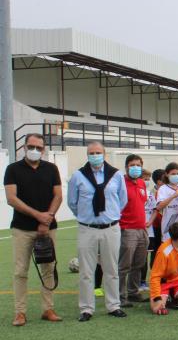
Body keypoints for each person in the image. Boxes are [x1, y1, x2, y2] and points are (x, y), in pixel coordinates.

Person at [4, 133, 63, 326]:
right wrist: (39, 216)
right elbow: (11, 199)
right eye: (31, 146)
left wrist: (46, 220)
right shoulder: (12, 169)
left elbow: (58, 196)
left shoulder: (51, 168)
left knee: (48, 268)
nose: (35, 150)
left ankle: (48, 309)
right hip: (22, 228)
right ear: (23, 147)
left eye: (39, 148)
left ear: (43, 150)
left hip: (48, 228)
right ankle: (20, 312)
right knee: (21, 271)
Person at [68, 141, 129, 321]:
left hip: (110, 227)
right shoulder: (78, 176)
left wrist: (110, 214)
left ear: (104, 154)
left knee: (111, 269)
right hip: (87, 229)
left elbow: (122, 200)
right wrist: (87, 216)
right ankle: (86, 308)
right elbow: (72, 202)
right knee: (86, 271)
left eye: (98, 152)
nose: (95, 156)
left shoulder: (116, 175)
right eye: (91, 153)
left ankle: (113, 306)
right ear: (87, 155)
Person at [118, 154, 149, 307]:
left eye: (138, 165)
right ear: (126, 167)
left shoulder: (142, 183)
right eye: (132, 165)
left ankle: (133, 292)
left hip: (142, 229)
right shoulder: (120, 183)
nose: (135, 167)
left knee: (139, 264)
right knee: (124, 265)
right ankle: (120, 296)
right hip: (127, 229)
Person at [156, 163, 178, 241]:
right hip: (168, 226)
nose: (176, 176)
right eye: (173, 174)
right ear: (167, 174)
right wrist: (173, 196)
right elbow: (159, 206)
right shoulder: (163, 188)